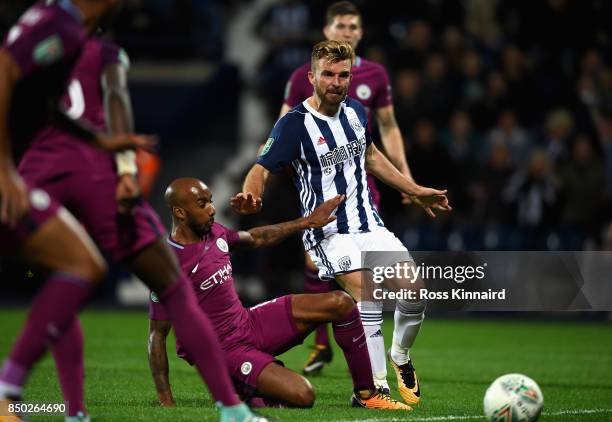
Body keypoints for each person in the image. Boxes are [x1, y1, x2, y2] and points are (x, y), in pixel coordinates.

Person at [2, 2, 266, 421]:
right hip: (88, 171)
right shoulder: (87, 38)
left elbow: (41, 100)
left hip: (41, 165)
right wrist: (123, 164)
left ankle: (69, 411)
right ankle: (232, 410)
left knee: (68, 275)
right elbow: (113, 94)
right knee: (170, 288)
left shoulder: (48, 24)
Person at [232, 40, 451, 407]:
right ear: (312, 77)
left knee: (414, 295)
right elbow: (260, 167)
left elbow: (371, 156)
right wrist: (251, 194)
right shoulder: (294, 125)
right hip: (329, 233)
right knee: (367, 292)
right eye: (328, 74)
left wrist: (414, 190)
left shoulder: (355, 111)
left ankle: (399, 356)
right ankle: (373, 388)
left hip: (370, 224)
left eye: (343, 74)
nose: (336, 82)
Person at [149, 177, 410, 410]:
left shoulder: (214, 233)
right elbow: (157, 336)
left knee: (341, 303)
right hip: (224, 351)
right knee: (304, 394)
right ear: (180, 212)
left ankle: (366, 394)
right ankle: (246, 389)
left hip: (248, 323)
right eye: (202, 204)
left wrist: (306, 222)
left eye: (210, 201)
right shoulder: (167, 265)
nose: (212, 209)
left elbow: (257, 237)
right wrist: (166, 400)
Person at [278, 1, 422, 388]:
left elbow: (385, 133)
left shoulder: (373, 77)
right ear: (327, 29)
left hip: (366, 198)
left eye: (353, 26)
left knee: (404, 290)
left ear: (361, 32)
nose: (347, 31)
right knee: (350, 283)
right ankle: (365, 378)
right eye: (340, 24)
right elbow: (283, 132)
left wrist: (408, 180)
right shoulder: (301, 80)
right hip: (324, 201)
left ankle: (393, 357)